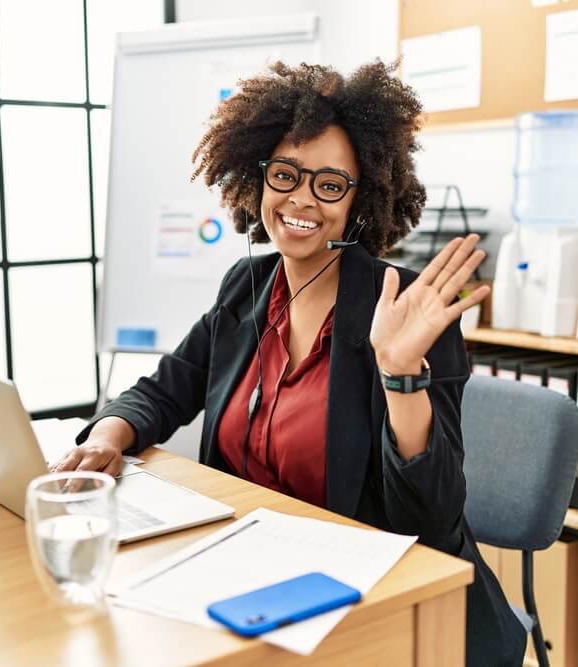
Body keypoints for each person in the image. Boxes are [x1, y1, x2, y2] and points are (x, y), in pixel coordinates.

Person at [57, 60, 525, 665]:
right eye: (286, 175)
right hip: (255, 582)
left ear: (361, 201)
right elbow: (166, 389)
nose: (302, 199)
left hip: (386, 609)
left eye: (330, 184)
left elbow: (429, 525)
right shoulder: (246, 285)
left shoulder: (406, 310)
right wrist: (108, 438)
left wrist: (400, 376)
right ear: (258, 181)